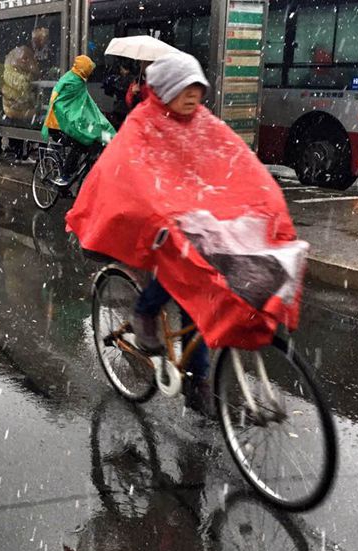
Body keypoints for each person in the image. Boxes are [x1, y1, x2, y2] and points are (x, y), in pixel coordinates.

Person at [65, 53, 304, 411]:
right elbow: (133, 171)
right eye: (183, 88)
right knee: (180, 274)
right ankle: (145, 314)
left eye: (197, 87)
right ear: (163, 90)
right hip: (162, 221)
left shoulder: (203, 123)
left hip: (197, 219)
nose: (192, 96)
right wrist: (162, 211)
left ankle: (197, 379)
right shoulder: (143, 124)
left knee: (203, 298)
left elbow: (235, 161)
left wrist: (264, 200)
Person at [41, 55, 114, 187]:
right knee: (79, 144)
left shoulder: (77, 81)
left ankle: (73, 173)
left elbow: (83, 105)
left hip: (66, 124)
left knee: (89, 141)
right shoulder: (72, 82)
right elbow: (62, 105)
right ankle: (65, 175)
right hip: (57, 127)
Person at [102, 61, 133, 128]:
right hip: (122, 106)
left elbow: (121, 89)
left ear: (127, 70)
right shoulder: (123, 78)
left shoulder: (128, 80)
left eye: (122, 69)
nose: (121, 72)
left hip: (123, 107)